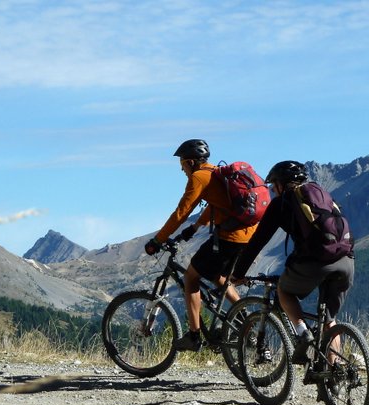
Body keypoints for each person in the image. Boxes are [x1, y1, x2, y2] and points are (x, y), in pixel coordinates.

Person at [231, 160, 354, 368]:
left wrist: (238, 273)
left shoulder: (281, 203)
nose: (272, 190)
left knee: (284, 291)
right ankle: (333, 375)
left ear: (281, 184)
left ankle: (302, 333)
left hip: (315, 261)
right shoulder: (321, 195)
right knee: (329, 320)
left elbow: (257, 241)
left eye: (273, 186)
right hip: (346, 259)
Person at [144, 139, 257, 351]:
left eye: (182, 165)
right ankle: (245, 321)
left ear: (191, 162)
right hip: (248, 237)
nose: (183, 170)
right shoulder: (217, 173)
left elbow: (181, 213)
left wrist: (157, 240)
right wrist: (195, 227)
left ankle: (194, 336)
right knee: (218, 276)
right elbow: (217, 205)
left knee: (190, 277)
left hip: (229, 238)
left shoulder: (198, 177)